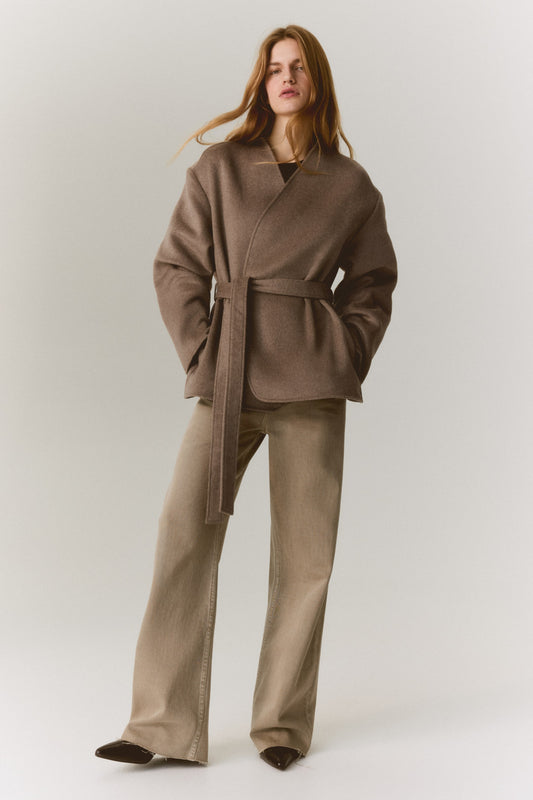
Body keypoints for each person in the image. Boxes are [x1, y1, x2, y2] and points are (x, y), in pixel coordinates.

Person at [95, 23, 397, 772]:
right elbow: (176, 266)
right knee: (182, 533)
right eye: (273, 67)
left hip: (311, 379)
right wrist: (202, 348)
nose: (285, 77)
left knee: (306, 557)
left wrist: (345, 349)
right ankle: (160, 725)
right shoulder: (220, 167)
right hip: (228, 372)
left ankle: (282, 725)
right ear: (261, 83)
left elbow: (372, 281)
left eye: (298, 67)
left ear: (317, 81)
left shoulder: (349, 186)